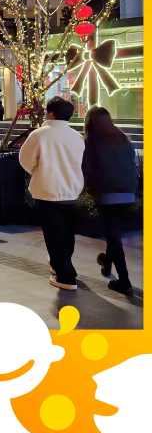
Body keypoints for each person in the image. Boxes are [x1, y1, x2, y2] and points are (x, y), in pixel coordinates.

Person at [19, 96, 84, 291]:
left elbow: (25, 159)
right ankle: (66, 266)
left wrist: (38, 171)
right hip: (72, 191)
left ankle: (65, 276)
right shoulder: (77, 136)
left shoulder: (40, 134)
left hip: (47, 190)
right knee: (67, 233)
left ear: (51, 113)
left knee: (53, 235)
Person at [83, 106, 137, 295]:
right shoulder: (122, 137)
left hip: (107, 194)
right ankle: (106, 263)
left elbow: (87, 169)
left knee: (114, 238)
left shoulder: (92, 141)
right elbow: (133, 164)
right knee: (112, 233)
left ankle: (124, 281)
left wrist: (90, 190)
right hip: (128, 193)